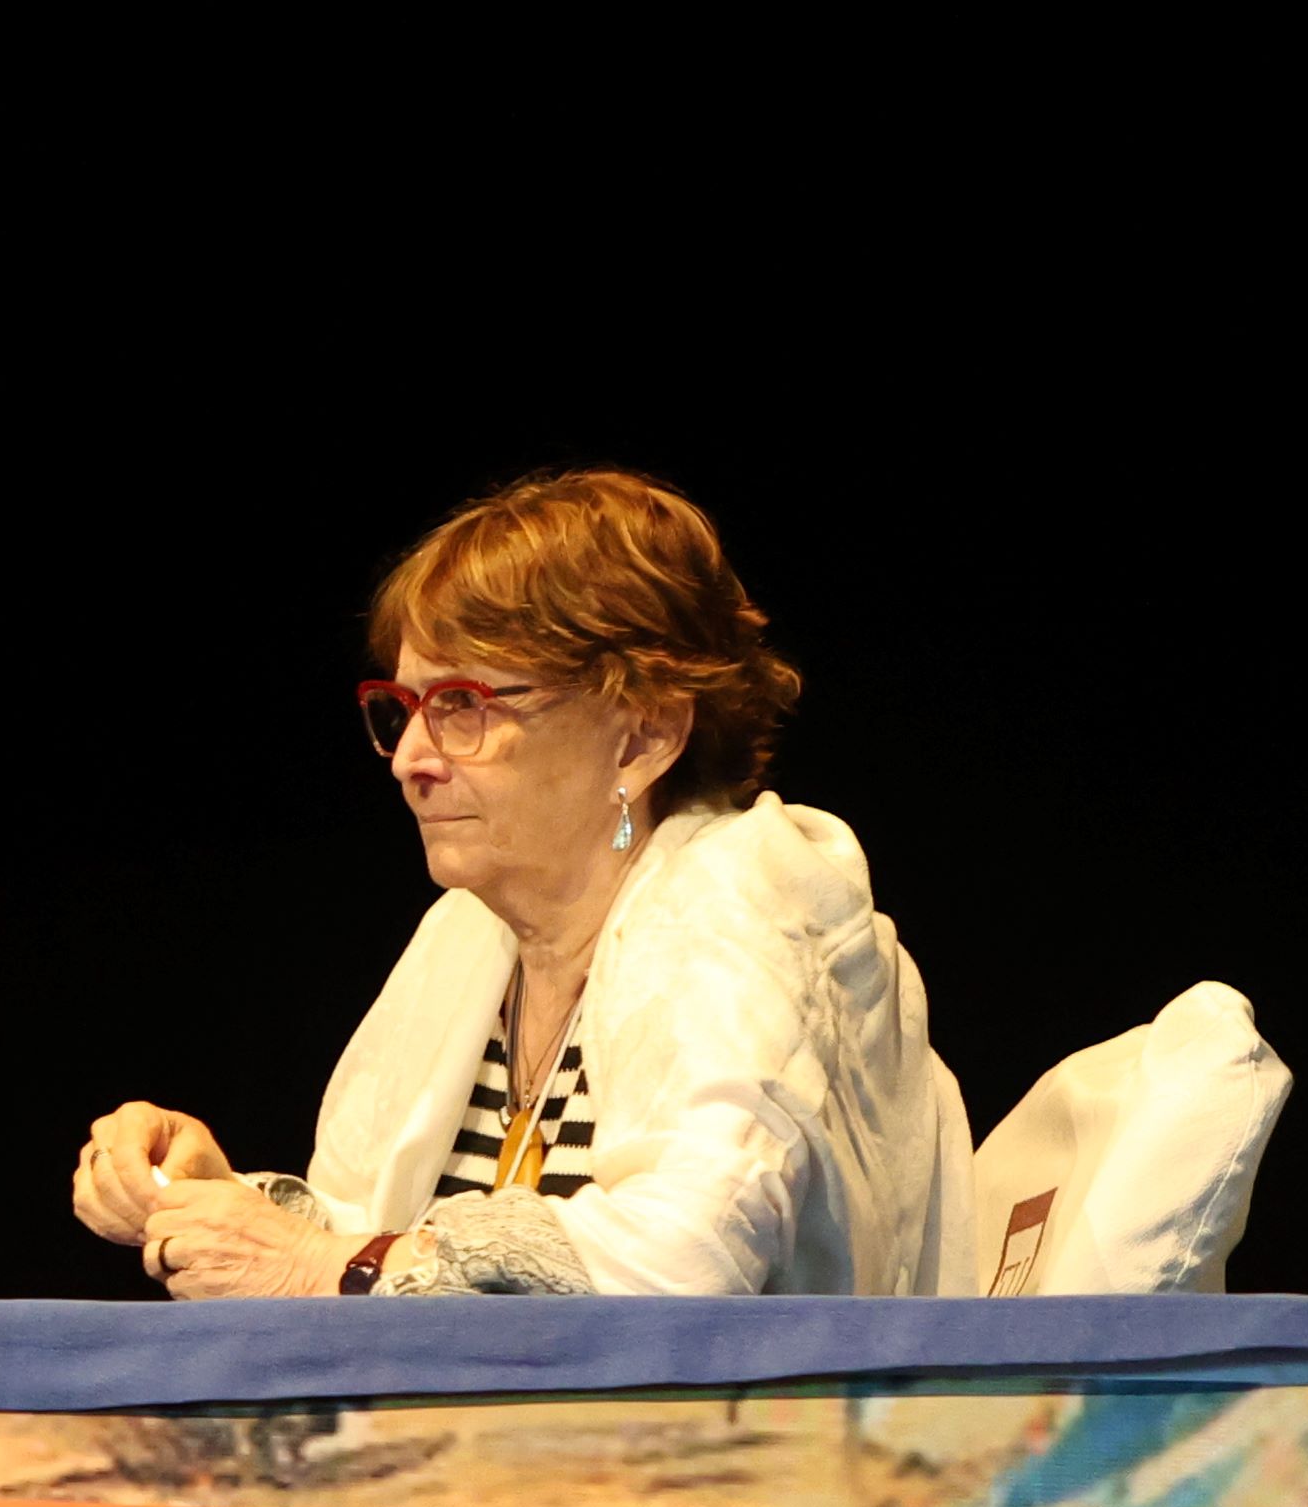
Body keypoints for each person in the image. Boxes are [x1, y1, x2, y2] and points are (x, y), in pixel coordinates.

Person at [72, 471, 964, 1300]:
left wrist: (318, 1265)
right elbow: (381, 1254)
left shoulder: (746, 902)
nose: (413, 760)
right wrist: (219, 1200)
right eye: (406, 708)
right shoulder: (468, 936)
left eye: (464, 703)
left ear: (643, 735)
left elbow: (687, 1253)